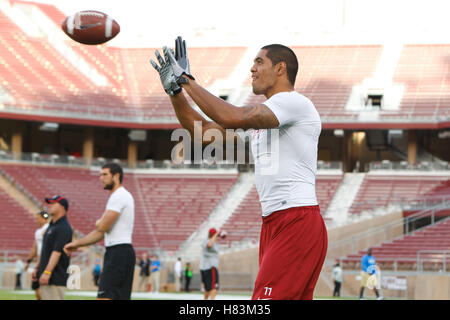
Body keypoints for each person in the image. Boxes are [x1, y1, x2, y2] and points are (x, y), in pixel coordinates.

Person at [151, 37, 328, 300]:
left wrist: (187, 80)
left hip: (295, 220)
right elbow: (203, 133)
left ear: (280, 68)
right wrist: (175, 92)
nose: (252, 69)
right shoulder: (268, 116)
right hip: (276, 221)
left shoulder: (294, 103)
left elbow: (232, 116)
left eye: (259, 62)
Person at [64, 163, 136, 300]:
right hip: (119, 252)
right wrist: (76, 244)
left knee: (104, 297)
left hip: (118, 253)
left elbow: (102, 227)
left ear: (116, 176)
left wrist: (99, 222)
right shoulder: (119, 196)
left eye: (104, 174)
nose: (100, 178)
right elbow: (100, 232)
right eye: (100, 175)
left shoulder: (119, 196)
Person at [33, 195, 72, 300]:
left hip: (55, 277)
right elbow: (45, 250)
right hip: (46, 275)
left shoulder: (63, 227)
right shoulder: (52, 225)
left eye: (53, 203)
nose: (49, 206)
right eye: (49, 203)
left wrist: (47, 272)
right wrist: (37, 267)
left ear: (62, 207)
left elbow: (57, 252)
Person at [24, 210, 49, 299]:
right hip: (40, 261)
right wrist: (28, 261)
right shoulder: (38, 231)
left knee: (43, 287)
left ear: (44, 218)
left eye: (38, 218)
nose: (36, 220)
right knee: (37, 287)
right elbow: (35, 248)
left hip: (45, 261)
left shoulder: (48, 229)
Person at [199, 228, 221, 300]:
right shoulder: (208, 241)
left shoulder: (209, 241)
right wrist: (215, 235)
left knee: (207, 289)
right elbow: (209, 245)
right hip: (210, 267)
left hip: (204, 268)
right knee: (213, 288)